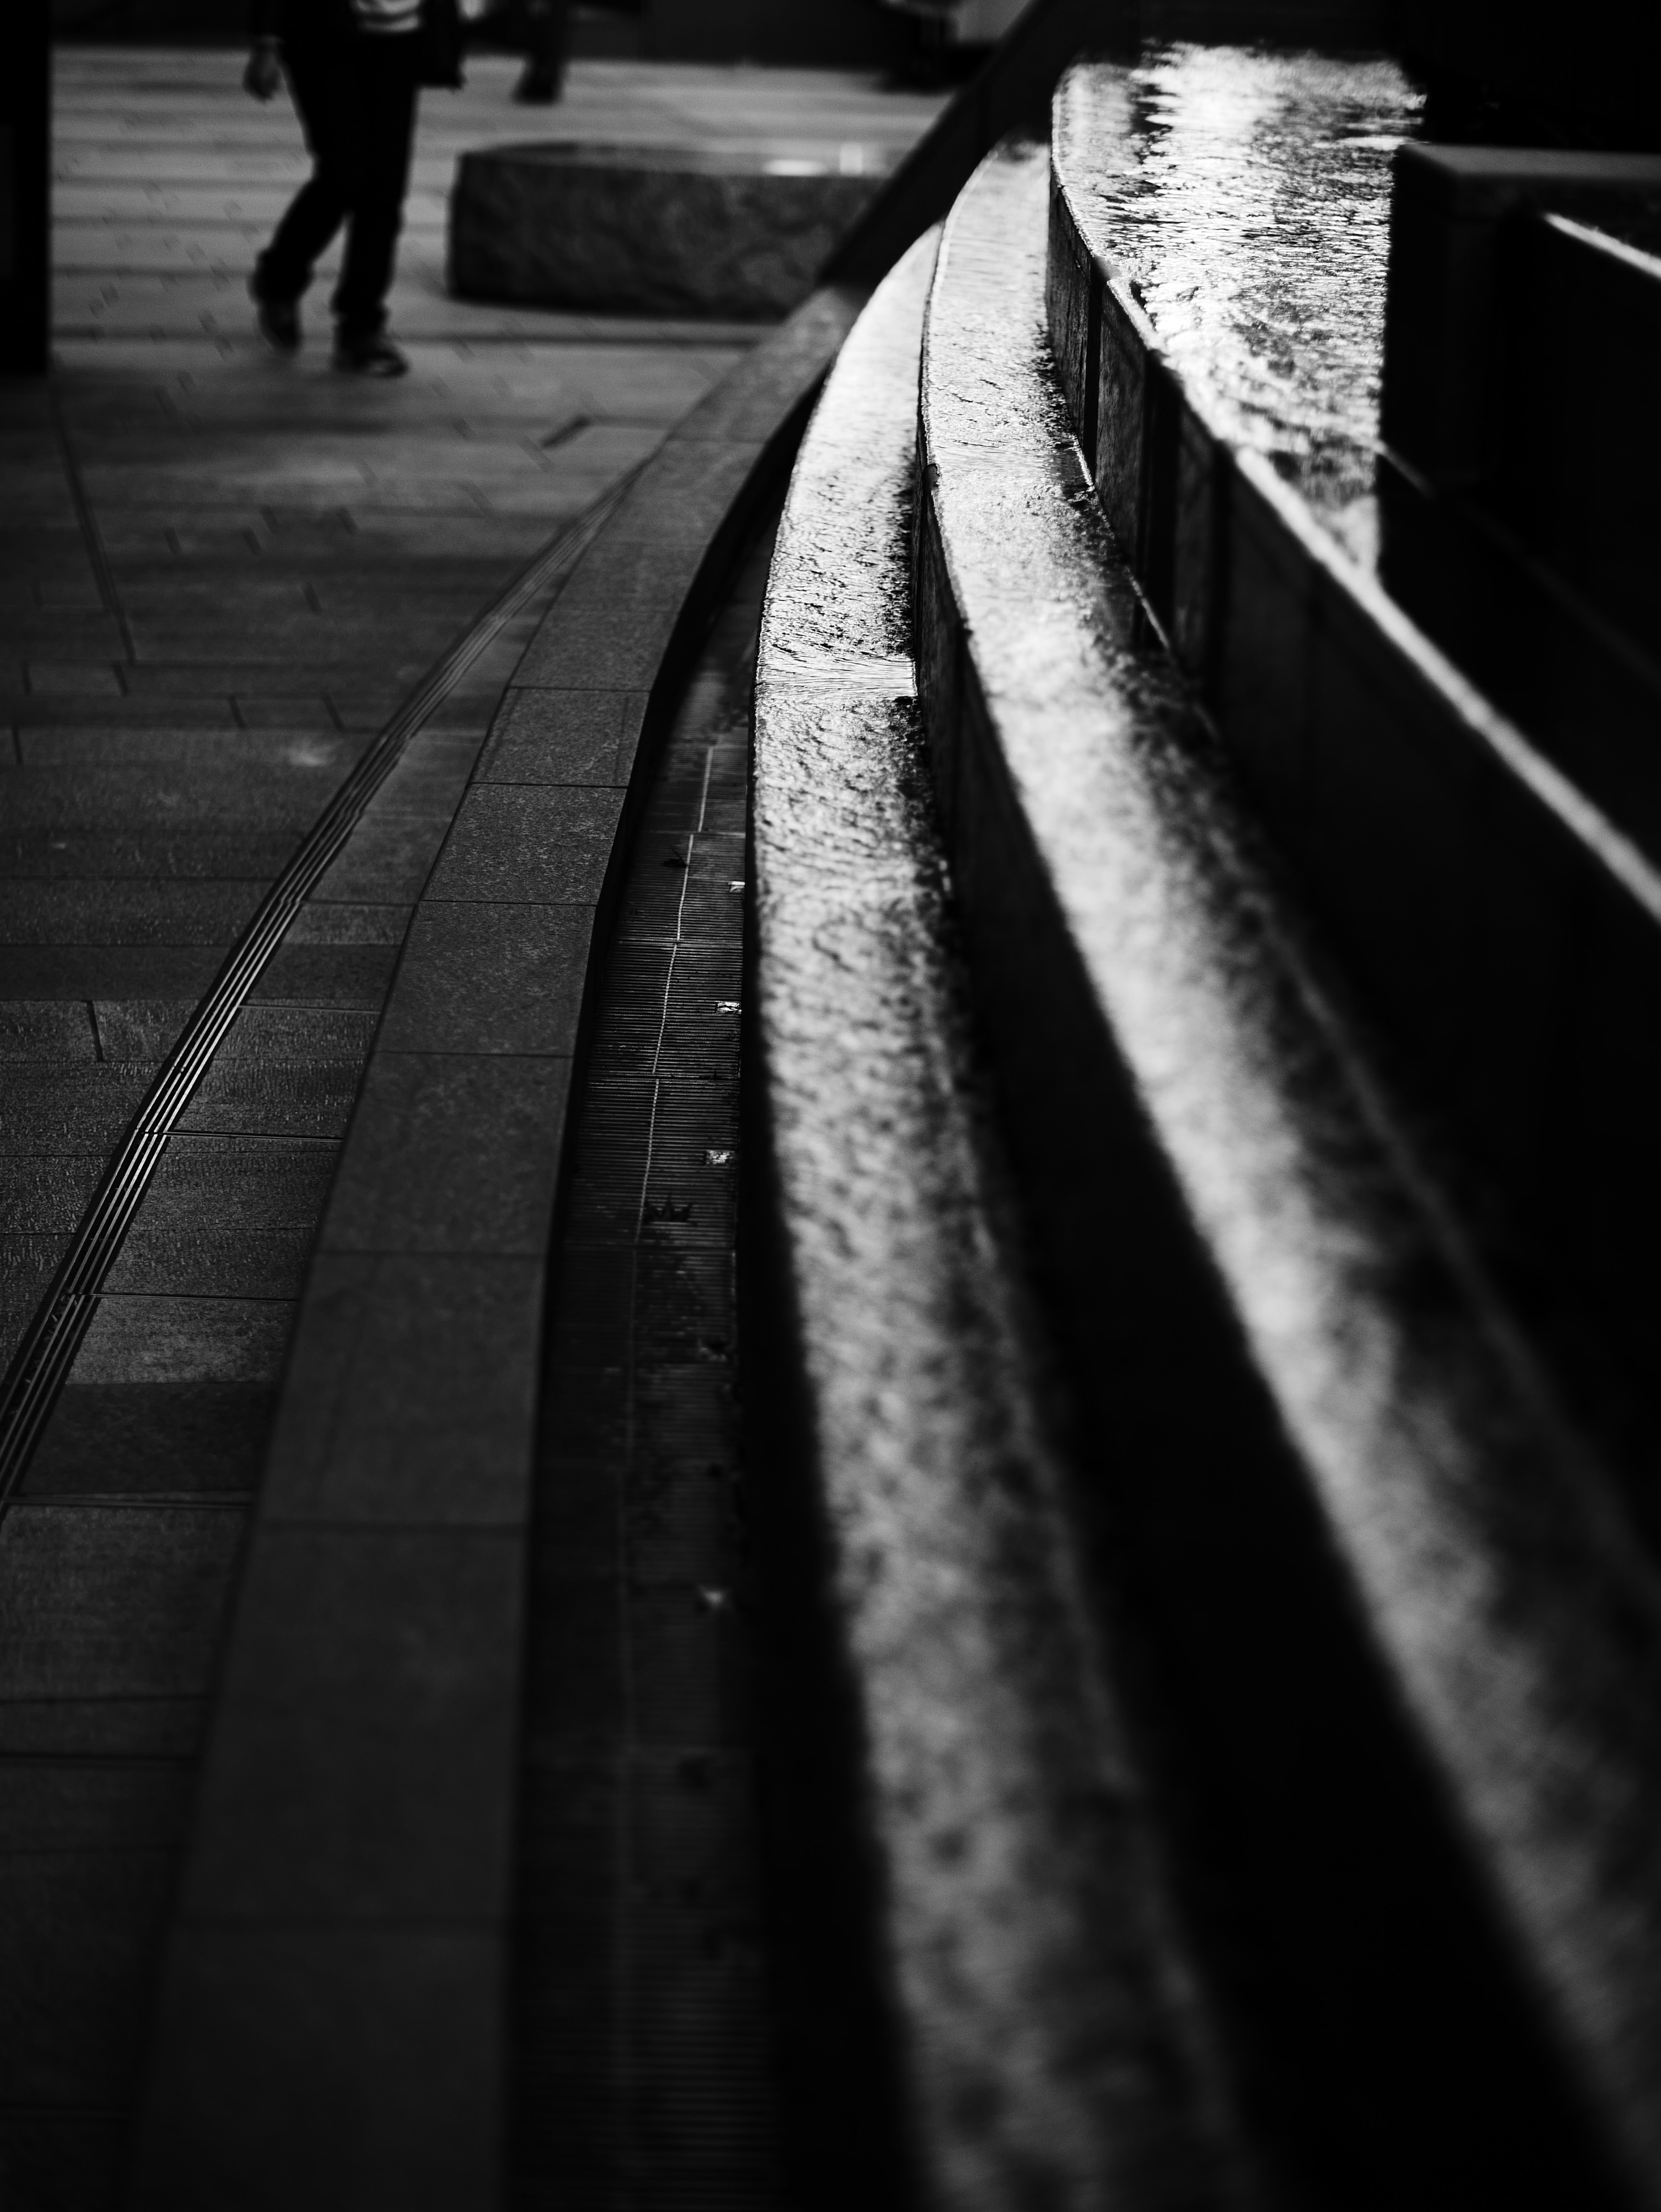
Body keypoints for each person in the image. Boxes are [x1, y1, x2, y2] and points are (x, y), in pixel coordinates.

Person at [243, 0, 437, 375]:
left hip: (401, 36)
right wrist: (267, 41)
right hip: (322, 32)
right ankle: (280, 277)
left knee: (385, 189)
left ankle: (361, 327)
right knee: (344, 176)